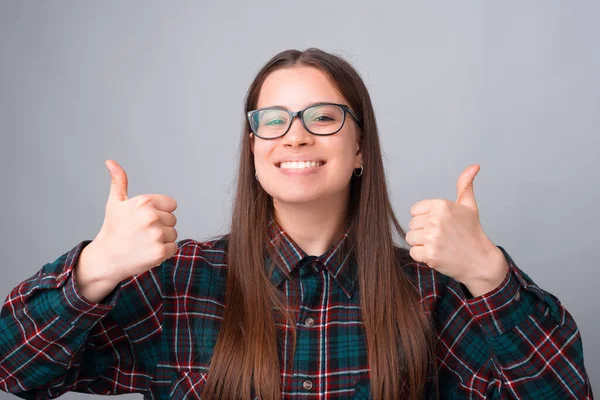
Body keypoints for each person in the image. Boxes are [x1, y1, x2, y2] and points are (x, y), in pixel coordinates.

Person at [0, 48, 593, 400]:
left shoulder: (430, 288)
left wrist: (490, 277)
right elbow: (14, 368)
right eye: (273, 119)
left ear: (361, 147)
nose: (297, 135)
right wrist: (93, 270)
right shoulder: (179, 281)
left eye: (323, 117)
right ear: (254, 147)